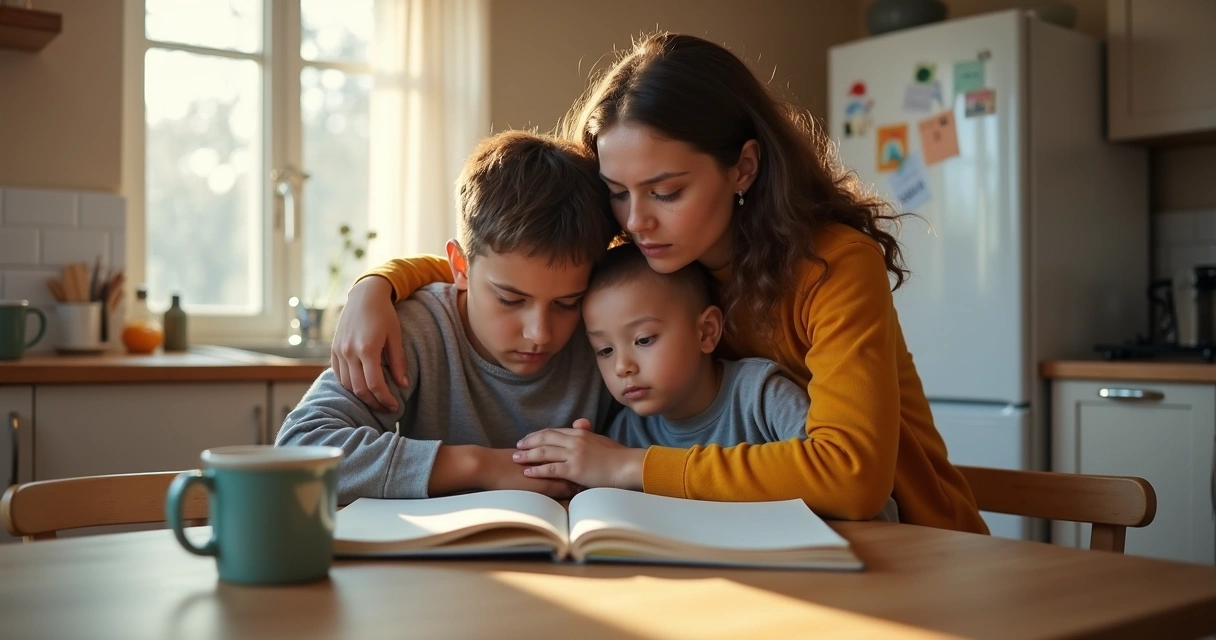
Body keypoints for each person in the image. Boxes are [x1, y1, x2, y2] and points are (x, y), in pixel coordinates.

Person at [332, 33, 987, 533]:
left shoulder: (832, 267)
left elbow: (850, 478)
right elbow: (502, 259)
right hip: (760, 541)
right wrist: (378, 286)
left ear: (744, 168)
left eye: (666, 191)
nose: (636, 219)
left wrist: (627, 467)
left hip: (913, 543)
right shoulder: (657, 256)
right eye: (617, 193)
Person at [277, 130, 619, 504]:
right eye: (510, 299)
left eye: (567, 303)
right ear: (460, 266)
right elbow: (298, 451)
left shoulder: (608, 331)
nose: (540, 333)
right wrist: (480, 465)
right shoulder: (417, 329)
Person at [560, 243, 902, 520]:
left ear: (706, 331)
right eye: (604, 350)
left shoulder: (761, 395)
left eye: (644, 339)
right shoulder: (627, 433)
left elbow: (849, 494)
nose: (622, 366)